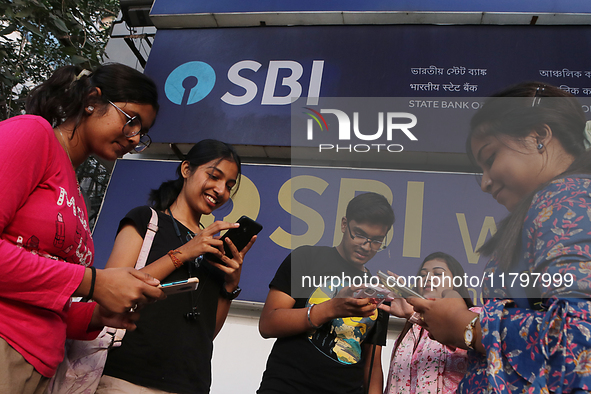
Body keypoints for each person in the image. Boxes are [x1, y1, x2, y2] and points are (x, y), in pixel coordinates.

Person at [407, 82, 591, 393]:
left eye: (490, 158)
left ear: (539, 136)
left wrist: (468, 327)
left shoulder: (567, 201)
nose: (485, 183)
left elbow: (580, 335)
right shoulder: (552, 206)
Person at [0, 63, 165, 394]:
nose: (133, 138)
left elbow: (48, 301)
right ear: (92, 100)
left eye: (142, 132)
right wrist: (93, 281)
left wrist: (99, 315)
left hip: (42, 367)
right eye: (130, 119)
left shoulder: (75, 192)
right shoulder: (33, 134)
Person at [97, 139, 257, 394]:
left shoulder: (212, 247)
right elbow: (110, 292)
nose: (220, 190)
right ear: (186, 169)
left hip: (189, 383)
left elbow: (207, 332)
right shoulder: (146, 220)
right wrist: (184, 253)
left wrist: (230, 285)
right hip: (126, 377)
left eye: (229, 185)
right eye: (214, 176)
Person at [257, 192, 394, 394]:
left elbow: (372, 365)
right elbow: (268, 324)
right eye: (359, 234)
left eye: (376, 240)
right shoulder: (307, 258)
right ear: (344, 224)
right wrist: (331, 308)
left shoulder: (376, 291)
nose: (366, 246)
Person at [381, 252, 479, 394]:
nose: (427, 278)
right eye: (422, 275)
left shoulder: (474, 316)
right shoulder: (411, 331)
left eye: (438, 274)